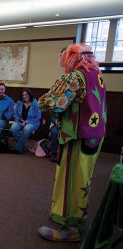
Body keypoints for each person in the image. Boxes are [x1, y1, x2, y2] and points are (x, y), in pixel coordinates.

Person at [37, 44, 107, 242]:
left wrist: (46, 99)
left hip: (77, 134)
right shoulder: (96, 73)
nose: (63, 66)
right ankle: (67, 215)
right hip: (95, 134)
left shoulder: (75, 76)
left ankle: (70, 228)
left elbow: (52, 103)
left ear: (71, 59)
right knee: (83, 179)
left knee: (71, 180)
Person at [10, 89, 41, 154]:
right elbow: (15, 114)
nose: (24, 96)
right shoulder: (19, 102)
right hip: (20, 120)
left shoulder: (35, 103)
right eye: (23, 95)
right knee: (13, 128)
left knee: (26, 129)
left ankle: (18, 149)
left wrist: (26, 122)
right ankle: (22, 146)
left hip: (32, 122)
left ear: (29, 95)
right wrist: (19, 121)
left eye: (26, 94)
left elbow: (38, 117)